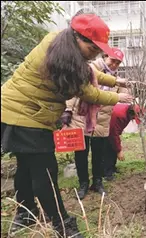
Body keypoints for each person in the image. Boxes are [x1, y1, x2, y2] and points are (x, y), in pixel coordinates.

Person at [1, 14, 133, 237]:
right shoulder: (65, 60)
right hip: (28, 117)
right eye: (93, 50)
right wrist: (118, 97)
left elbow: (90, 72)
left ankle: (25, 214)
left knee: (25, 167)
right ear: (79, 38)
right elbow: (87, 91)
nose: (95, 55)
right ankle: (63, 226)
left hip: (12, 111)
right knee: (46, 174)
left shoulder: (59, 43)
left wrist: (114, 80)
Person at [61, 47, 126, 200]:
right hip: (82, 117)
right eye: (112, 60)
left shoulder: (117, 80)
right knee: (81, 153)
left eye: (118, 63)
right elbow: (74, 90)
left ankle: (97, 182)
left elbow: (119, 98)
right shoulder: (89, 68)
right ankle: (83, 183)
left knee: (99, 154)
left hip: (102, 120)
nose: (114, 65)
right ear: (105, 56)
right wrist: (68, 109)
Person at [104, 103, 142, 181]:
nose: (134, 119)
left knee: (113, 147)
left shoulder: (127, 111)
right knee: (108, 150)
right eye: (134, 117)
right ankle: (107, 173)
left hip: (111, 130)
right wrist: (119, 150)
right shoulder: (119, 115)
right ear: (131, 113)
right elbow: (113, 134)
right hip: (105, 130)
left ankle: (112, 167)